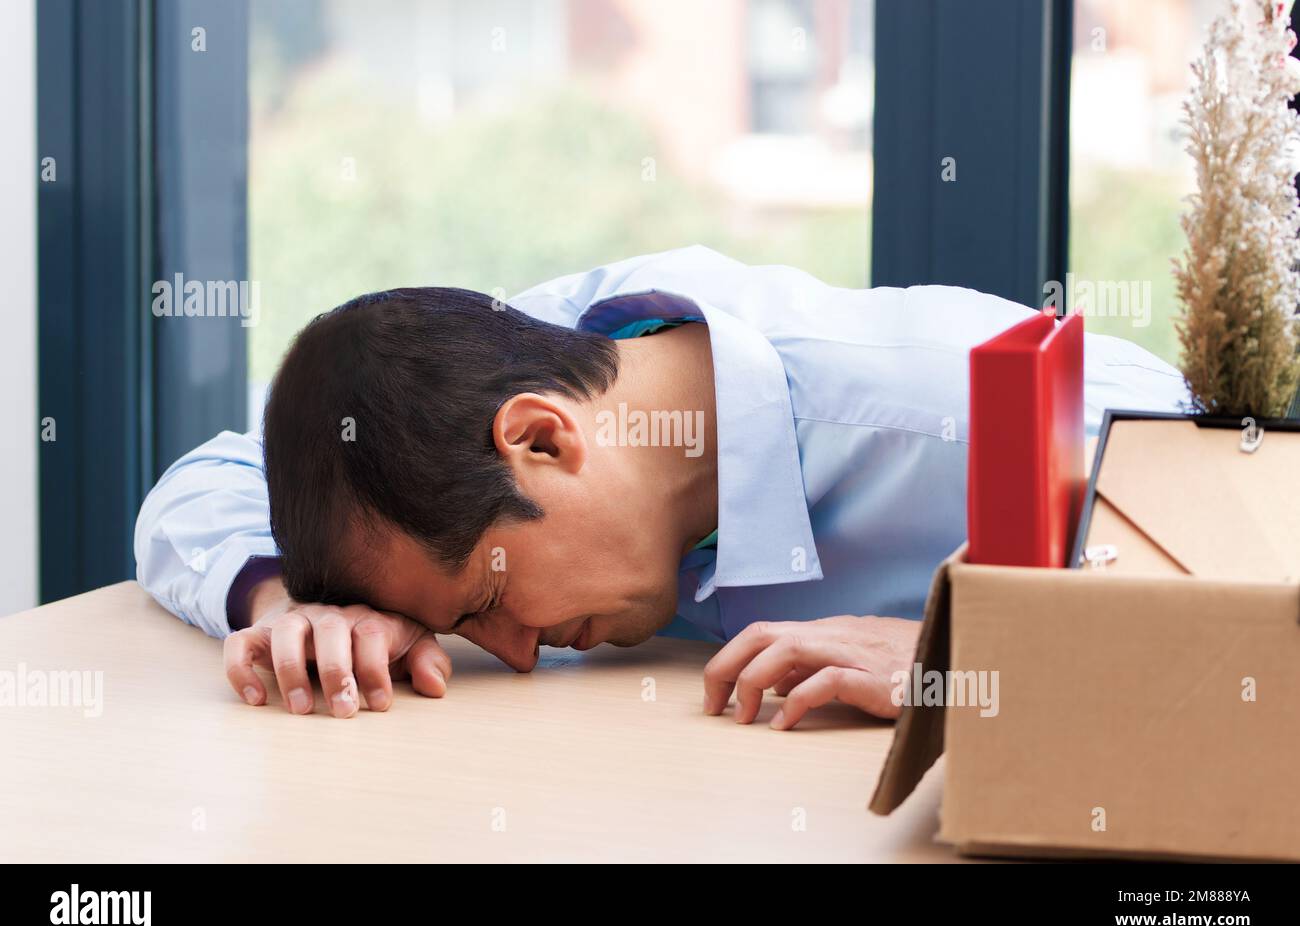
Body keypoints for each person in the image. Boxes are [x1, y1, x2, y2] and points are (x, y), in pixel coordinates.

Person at [135, 245, 1187, 726]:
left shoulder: (985, 417)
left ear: (542, 443)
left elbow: (1250, 619)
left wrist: (961, 657)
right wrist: (291, 606)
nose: (507, 658)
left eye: (490, 603)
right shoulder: (554, 353)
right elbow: (203, 479)